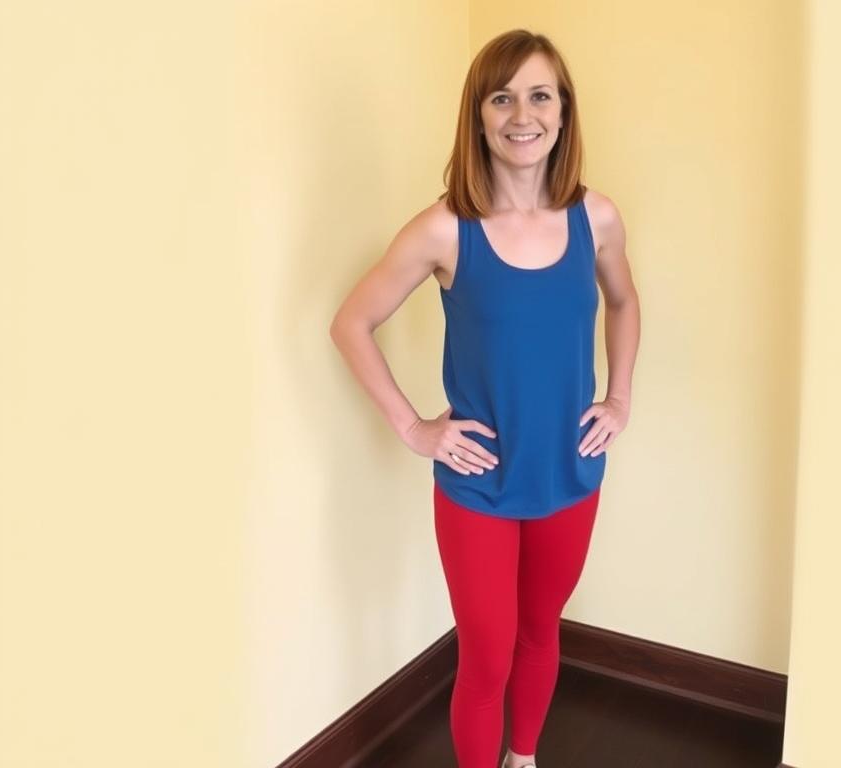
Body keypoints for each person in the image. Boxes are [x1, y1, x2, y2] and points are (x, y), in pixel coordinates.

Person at [330, 29, 640, 768]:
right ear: (478, 115)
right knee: (488, 657)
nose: (521, 114)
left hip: (570, 470)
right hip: (479, 482)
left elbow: (625, 303)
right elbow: (351, 323)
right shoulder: (444, 229)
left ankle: (523, 757)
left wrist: (619, 398)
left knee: (541, 633)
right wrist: (414, 428)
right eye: (501, 97)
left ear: (563, 114)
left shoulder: (595, 218)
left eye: (540, 96)